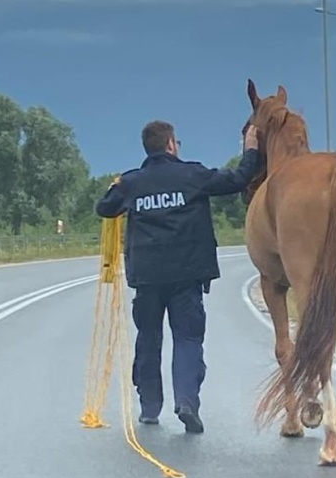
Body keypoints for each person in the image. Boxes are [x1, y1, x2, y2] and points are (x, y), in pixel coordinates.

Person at [95, 120, 260, 434]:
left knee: (148, 339)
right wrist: (250, 148)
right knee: (187, 339)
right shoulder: (193, 176)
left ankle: (149, 407)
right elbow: (238, 179)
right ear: (171, 144)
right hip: (187, 277)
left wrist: (117, 186)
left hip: (147, 279)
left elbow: (104, 208)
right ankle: (186, 402)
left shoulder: (132, 183)